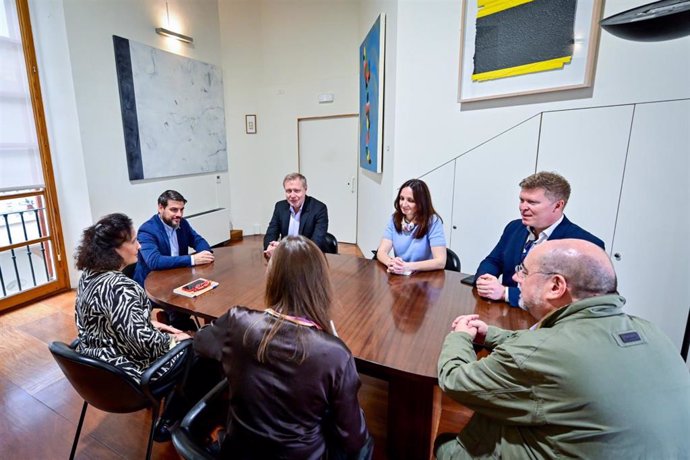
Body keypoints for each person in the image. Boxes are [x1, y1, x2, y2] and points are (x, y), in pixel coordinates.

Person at [436, 239, 690, 459]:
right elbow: (559, 348)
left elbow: (455, 380)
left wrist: (460, 336)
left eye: (523, 271)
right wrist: (491, 334)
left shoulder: (538, 352)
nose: (515, 278)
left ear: (556, 286)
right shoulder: (651, 331)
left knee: (451, 442)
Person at [194, 236, 373, 459]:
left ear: (272, 278)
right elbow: (354, 439)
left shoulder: (236, 321)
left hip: (239, 451)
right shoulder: (335, 353)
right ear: (320, 284)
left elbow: (200, 343)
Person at [73, 213, 193, 440]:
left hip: (95, 368)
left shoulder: (89, 277)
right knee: (196, 349)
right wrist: (176, 340)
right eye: (133, 241)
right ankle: (175, 419)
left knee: (177, 335)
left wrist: (151, 323)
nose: (139, 246)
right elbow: (146, 346)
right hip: (127, 376)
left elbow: (112, 320)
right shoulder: (121, 287)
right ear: (115, 249)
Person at [474, 171, 604, 307]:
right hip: (506, 313)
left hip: (549, 322)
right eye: (521, 200)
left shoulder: (585, 245)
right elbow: (493, 261)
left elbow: (572, 299)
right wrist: (485, 280)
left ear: (558, 205)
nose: (523, 207)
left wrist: (506, 293)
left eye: (532, 202)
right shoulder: (514, 228)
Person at [133, 190, 214, 330]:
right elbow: (154, 261)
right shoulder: (147, 230)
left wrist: (205, 252)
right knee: (180, 308)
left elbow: (199, 241)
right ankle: (182, 335)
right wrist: (192, 259)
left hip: (177, 279)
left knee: (206, 295)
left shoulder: (182, 224)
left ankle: (189, 331)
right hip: (153, 285)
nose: (179, 214)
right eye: (174, 210)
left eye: (182, 209)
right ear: (160, 208)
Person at [376, 178, 446, 274]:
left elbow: (440, 262)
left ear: (421, 203)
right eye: (401, 198)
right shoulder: (394, 219)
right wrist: (391, 263)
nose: (404, 204)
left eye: (410, 200)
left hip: (424, 278)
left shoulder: (433, 221)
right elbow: (381, 252)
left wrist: (408, 266)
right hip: (401, 275)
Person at [263, 173, 329, 258]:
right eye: (288, 191)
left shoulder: (319, 209)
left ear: (305, 189)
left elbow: (315, 244)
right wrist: (270, 247)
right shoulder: (280, 206)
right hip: (284, 260)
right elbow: (271, 233)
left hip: (308, 260)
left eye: (297, 191)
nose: (292, 195)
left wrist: (284, 248)